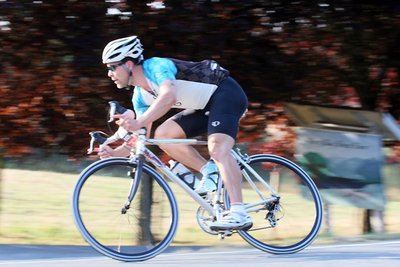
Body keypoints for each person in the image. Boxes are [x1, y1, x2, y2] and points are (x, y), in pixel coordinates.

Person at [98, 35, 252, 230]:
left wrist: (139, 121)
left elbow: (168, 96)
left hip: (226, 94)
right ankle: (210, 171)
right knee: (163, 136)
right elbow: (141, 136)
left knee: (217, 149)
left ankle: (239, 212)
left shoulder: (156, 67)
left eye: (112, 67)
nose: (110, 73)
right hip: (204, 106)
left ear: (128, 64)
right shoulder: (140, 95)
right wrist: (114, 152)